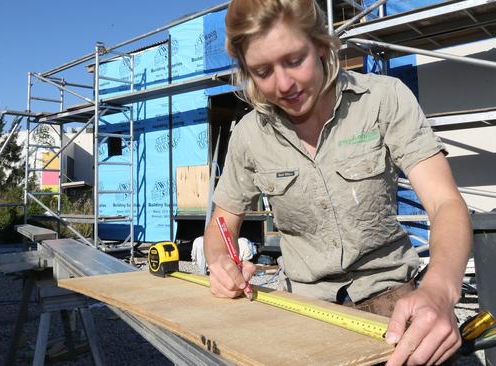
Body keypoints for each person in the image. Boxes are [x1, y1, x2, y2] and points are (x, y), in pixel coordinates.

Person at [202, 0, 472, 365]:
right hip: (305, 313)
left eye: (294, 60)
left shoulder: (384, 99)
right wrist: (221, 264)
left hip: (394, 302)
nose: (283, 84)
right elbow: (221, 224)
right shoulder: (250, 136)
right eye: (263, 71)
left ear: (322, 47)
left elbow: (445, 203)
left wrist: (440, 289)